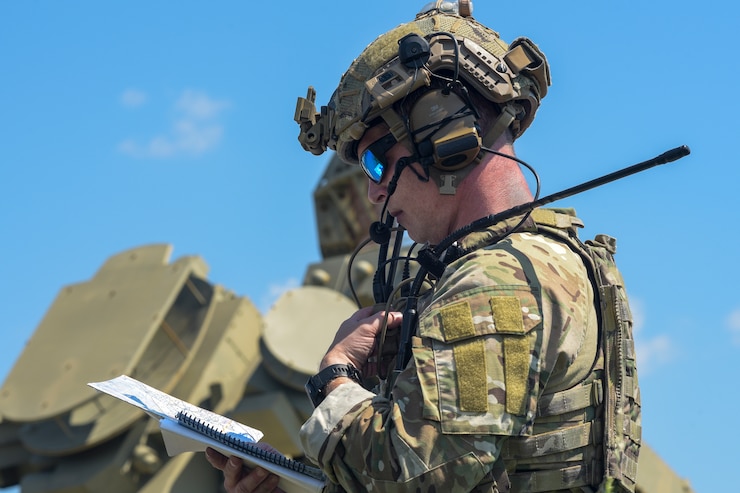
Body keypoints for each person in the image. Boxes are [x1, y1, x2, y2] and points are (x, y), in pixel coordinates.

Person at [208, 1, 642, 491]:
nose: (374, 191)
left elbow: (413, 476)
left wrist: (334, 377)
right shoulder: (535, 263)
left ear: (442, 130)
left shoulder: (496, 280)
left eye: (376, 160)